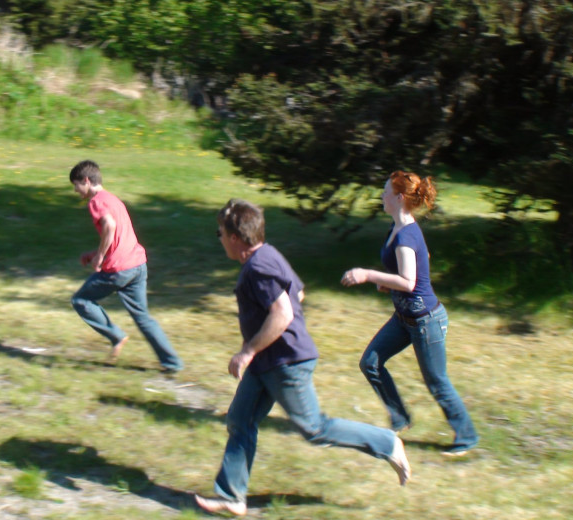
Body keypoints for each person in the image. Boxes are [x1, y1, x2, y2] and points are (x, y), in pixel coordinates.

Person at [195, 199, 410, 517]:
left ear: (236, 239)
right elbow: (298, 293)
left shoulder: (257, 268)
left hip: (286, 362)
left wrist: (247, 351)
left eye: (220, 234)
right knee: (240, 421)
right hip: (269, 361)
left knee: (315, 429)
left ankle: (387, 443)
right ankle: (232, 496)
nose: (220, 239)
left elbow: (282, 312)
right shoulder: (269, 255)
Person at [341, 170, 478, 456]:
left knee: (437, 382)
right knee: (371, 363)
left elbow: (409, 281)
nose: (381, 196)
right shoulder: (400, 228)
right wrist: (388, 285)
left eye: (385, 192)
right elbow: (422, 260)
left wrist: (368, 274)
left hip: (425, 321)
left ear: (399, 197)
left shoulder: (405, 234)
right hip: (404, 318)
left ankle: (466, 436)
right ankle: (400, 418)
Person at [68, 160, 183, 372]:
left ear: (86, 180)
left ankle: (116, 336)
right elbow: (118, 236)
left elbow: (110, 227)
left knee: (81, 300)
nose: (75, 190)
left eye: (76, 184)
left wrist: (99, 257)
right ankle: (172, 363)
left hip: (118, 270)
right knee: (143, 317)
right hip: (138, 264)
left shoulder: (96, 202)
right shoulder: (112, 199)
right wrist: (94, 253)